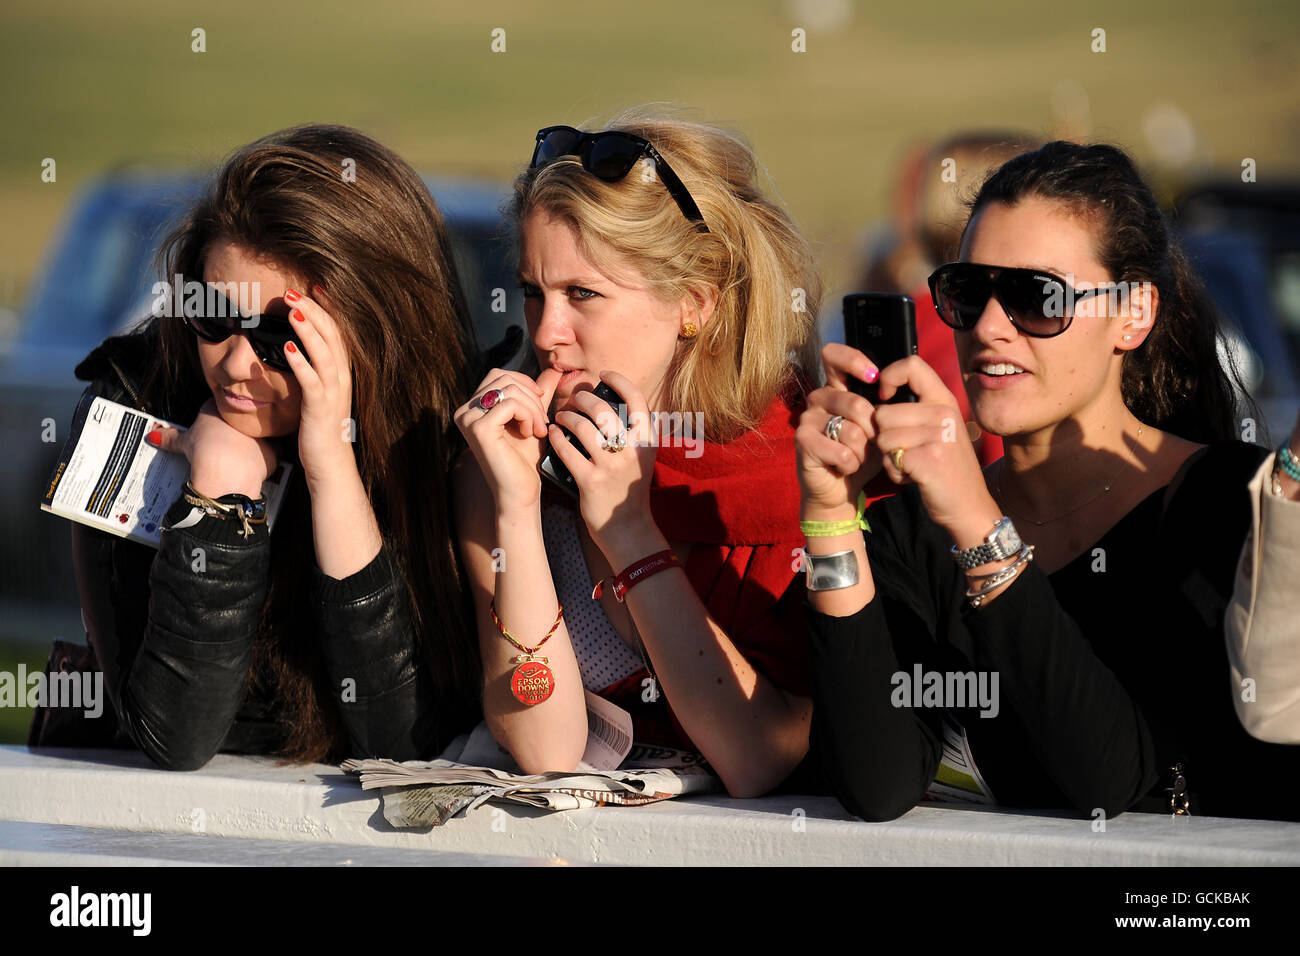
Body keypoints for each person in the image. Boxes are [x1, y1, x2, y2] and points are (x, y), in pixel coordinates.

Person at [797, 140, 1300, 821]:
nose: (992, 327)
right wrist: (830, 516)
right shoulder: (914, 527)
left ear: (1133, 314)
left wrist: (980, 531)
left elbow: (1107, 781)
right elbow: (876, 782)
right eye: (968, 292)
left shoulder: (1229, 507)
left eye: (1039, 297)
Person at [60, 125, 485, 770]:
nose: (234, 365)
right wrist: (221, 500)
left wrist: (332, 471)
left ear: (374, 328)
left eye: (279, 337)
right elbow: (174, 736)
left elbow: (404, 744)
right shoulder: (135, 403)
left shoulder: (446, 427)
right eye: (213, 315)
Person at [454, 111, 820, 797]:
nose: (546, 333)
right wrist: (515, 506)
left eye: (582, 295)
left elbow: (757, 755)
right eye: (533, 292)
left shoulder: (799, 472)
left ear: (695, 304)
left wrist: (628, 530)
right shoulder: (507, 459)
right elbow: (546, 748)